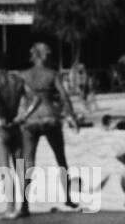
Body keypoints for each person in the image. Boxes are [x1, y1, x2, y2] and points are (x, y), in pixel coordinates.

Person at [18, 41, 79, 214]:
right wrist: (72, 116)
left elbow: (19, 98)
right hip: (50, 116)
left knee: (28, 162)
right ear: (45, 55)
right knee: (61, 158)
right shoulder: (52, 74)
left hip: (30, 120)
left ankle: (24, 204)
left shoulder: (23, 75)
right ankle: (67, 198)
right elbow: (65, 96)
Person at [0, 50, 29, 218]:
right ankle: (23, 208)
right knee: (20, 169)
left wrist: (3, 116)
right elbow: (34, 99)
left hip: (0, 125)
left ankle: (10, 209)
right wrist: (20, 116)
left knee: (5, 170)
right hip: (16, 126)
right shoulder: (17, 80)